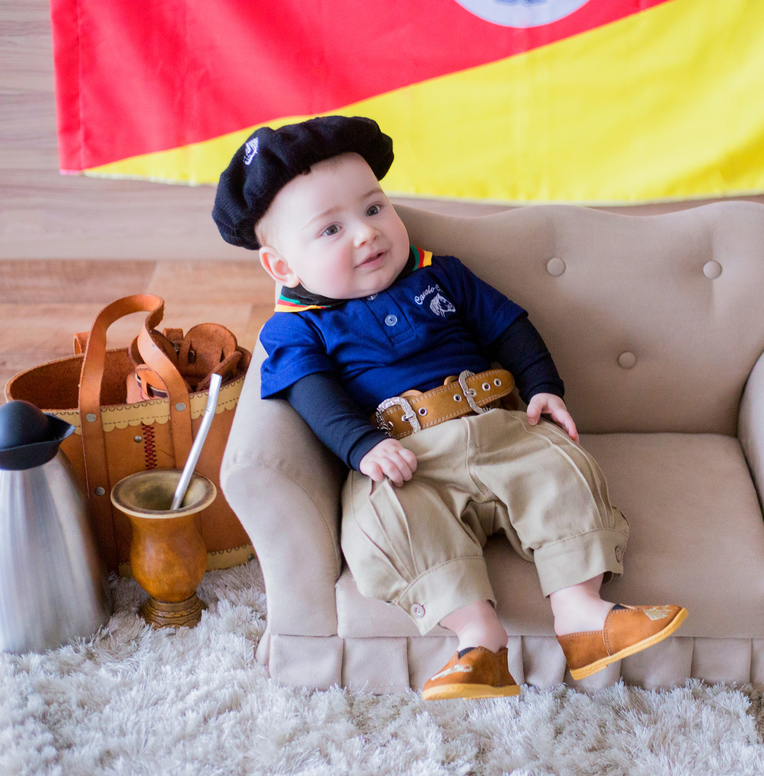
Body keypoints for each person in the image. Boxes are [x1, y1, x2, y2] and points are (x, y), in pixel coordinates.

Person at [212, 116, 685, 700]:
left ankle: (581, 614)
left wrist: (543, 386)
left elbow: (509, 326)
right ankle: (478, 639)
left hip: (498, 428)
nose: (366, 234)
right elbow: (315, 397)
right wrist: (362, 448)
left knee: (564, 470)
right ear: (283, 266)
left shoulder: (442, 274)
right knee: (383, 523)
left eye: (374, 208)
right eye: (331, 229)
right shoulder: (297, 328)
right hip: (404, 458)